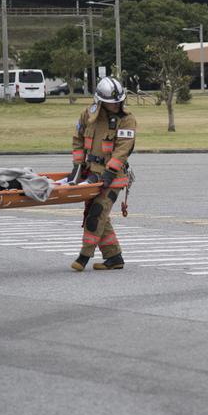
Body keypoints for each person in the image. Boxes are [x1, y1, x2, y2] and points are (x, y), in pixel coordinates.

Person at [68, 77, 136, 271]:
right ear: (100, 100)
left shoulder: (127, 119)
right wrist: (77, 166)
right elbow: (78, 139)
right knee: (100, 217)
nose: (116, 106)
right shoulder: (88, 115)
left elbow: (123, 149)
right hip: (90, 173)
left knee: (96, 215)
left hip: (113, 176)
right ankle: (114, 257)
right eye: (111, 103)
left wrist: (110, 172)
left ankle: (83, 257)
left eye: (118, 102)